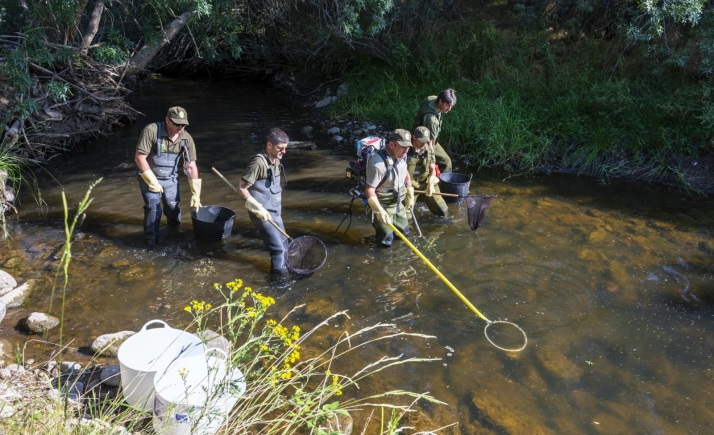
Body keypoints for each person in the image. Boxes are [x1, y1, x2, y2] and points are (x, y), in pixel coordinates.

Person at [134, 106, 201, 249]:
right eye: (177, 124)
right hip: (149, 177)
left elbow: (191, 166)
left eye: (183, 124)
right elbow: (140, 158)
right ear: (167, 120)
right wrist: (152, 181)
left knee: (173, 209)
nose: (180, 127)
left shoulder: (186, 138)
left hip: (171, 179)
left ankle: (175, 234)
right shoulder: (152, 130)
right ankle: (151, 244)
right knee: (153, 208)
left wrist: (196, 193)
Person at [238, 128, 290, 275]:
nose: (283, 152)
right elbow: (241, 187)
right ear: (269, 145)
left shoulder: (277, 159)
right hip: (261, 213)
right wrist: (257, 208)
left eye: (285, 148)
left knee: (285, 245)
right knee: (278, 249)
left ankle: (287, 271)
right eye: (280, 148)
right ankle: (278, 283)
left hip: (275, 212)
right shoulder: (258, 163)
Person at [365, 129, 414, 247]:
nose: (406, 150)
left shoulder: (402, 154)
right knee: (386, 241)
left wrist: (410, 192)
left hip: (398, 203)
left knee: (404, 233)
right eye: (403, 147)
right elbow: (369, 190)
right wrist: (379, 211)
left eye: (408, 147)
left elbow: (405, 172)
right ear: (391, 145)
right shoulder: (378, 165)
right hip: (383, 205)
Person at [412, 88, 457, 174]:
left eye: (451, 106)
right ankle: (444, 185)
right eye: (447, 105)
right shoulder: (431, 120)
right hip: (422, 142)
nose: (449, 109)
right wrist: (432, 160)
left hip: (418, 135)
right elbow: (430, 143)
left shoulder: (432, 99)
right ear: (440, 101)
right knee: (446, 162)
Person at [407, 126, 448, 217]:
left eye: (425, 141)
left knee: (443, 210)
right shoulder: (406, 150)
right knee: (407, 217)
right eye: (421, 141)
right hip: (409, 186)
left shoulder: (428, 149)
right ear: (414, 137)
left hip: (425, 184)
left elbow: (433, 168)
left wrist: (431, 181)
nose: (423, 144)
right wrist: (409, 188)